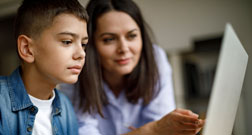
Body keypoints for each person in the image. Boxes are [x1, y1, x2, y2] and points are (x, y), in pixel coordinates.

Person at [59, 0, 204, 135]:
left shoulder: (155, 58)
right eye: (109, 39)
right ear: (90, 44)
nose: (124, 48)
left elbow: (164, 128)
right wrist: (153, 129)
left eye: (132, 36)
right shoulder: (75, 69)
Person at [0, 0, 88, 134]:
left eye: (83, 44)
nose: (81, 54)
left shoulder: (65, 106)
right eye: (67, 41)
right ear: (27, 49)